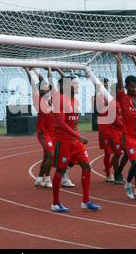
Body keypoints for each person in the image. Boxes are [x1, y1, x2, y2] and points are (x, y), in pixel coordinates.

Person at [50, 74, 100, 212]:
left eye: (78, 83)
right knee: (60, 170)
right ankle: (55, 203)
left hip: (76, 143)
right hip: (64, 141)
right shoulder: (59, 100)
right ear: (67, 86)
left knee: (87, 166)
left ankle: (86, 201)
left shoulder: (75, 101)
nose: (78, 86)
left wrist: (77, 138)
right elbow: (61, 124)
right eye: (75, 84)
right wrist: (79, 136)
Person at [115, 53, 136, 201]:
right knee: (134, 163)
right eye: (132, 87)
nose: (135, 89)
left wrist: (135, 59)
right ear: (127, 87)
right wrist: (119, 62)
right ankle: (128, 183)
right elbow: (120, 80)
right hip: (128, 137)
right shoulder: (123, 97)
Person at [24, 67, 55, 188]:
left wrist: (42, 70)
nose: (48, 89)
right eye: (46, 88)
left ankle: (38, 179)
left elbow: (46, 81)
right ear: (41, 91)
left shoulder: (51, 100)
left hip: (53, 132)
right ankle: (47, 179)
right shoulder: (38, 99)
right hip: (44, 133)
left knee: (47, 156)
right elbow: (33, 84)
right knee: (51, 155)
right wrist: (27, 71)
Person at [95, 77, 115, 182]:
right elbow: (102, 110)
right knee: (107, 152)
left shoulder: (110, 96)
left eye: (106, 84)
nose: (106, 86)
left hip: (113, 128)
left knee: (119, 151)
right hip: (105, 128)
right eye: (104, 84)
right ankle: (108, 174)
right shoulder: (99, 97)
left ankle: (108, 167)